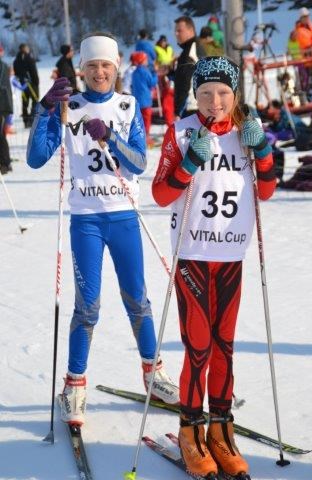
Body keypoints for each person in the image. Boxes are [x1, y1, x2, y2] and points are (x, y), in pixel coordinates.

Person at [26, 32, 179, 426]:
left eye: (105, 65)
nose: (99, 72)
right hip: (86, 220)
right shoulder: (69, 106)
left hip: (123, 216)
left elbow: (138, 163)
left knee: (137, 299)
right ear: (82, 69)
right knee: (88, 306)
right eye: (92, 65)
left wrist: (109, 135)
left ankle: (153, 373)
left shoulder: (127, 106)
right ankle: (74, 384)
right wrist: (45, 110)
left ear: (115, 69)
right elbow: (36, 158)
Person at [152, 56, 276, 478]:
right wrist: (187, 164)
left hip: (231, 258)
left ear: (235, 94)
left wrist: (261, 150)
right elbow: (160, 194)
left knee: (224, 347)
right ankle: (190, 431)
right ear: (195, 95)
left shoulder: (246, 132)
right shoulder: (181, 131)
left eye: (224, 93)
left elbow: (269, 189)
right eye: (206, 93)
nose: (215, 101)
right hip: (193, 257)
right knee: (199, 348)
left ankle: (222, 431)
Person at [173, 16, 206, 119]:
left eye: (179, 31)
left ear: (190, 30)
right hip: (194, 107)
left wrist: (178, 111)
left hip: (191, 108)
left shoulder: (191, 50)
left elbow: (185, 81)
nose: (176, 34)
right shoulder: (190, 49)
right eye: (175, 31)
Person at [131, 51, 158, 147]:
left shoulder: (134, 72)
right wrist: (155, 73)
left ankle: (140, 138)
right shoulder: (145, 71)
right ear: (142, 61)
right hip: (146, 101)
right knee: (146, 120)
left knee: (138, 120)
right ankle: (146, 139)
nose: (147, 61)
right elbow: (152, 83)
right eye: (145, 59)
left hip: (137, 100)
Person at [13, 43, 39, 127]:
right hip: (32, 84)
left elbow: (16, 73)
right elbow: (33, 72)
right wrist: (37, 82)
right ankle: (32, 119)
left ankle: (25, 120)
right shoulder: (29, 59)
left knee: (25, 102)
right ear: (25, 49)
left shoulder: (16, 60)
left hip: (23, 85)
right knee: (35, 100)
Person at [0, 44, 13, 175]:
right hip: (4, 105)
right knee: (2, 135)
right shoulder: (4, 65)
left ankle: (5, 163)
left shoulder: (2, 66)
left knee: (1, 136)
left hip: (2, 106)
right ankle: (6, 162)